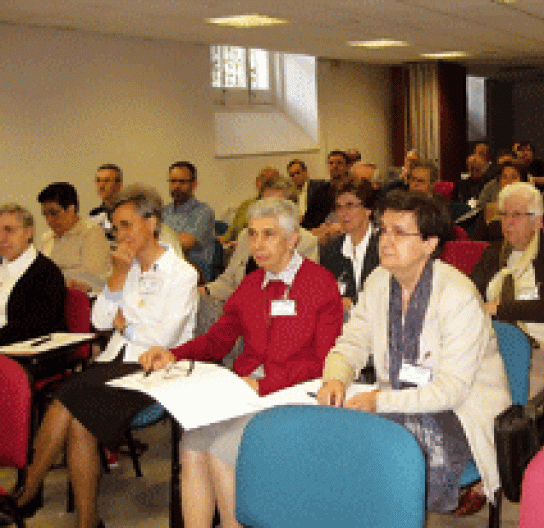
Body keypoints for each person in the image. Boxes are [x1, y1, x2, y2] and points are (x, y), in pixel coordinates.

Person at [140, 197, 344, 528]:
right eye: (252, 234)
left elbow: (324, 362)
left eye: (269, 234)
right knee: (192, 444)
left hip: (293, 391)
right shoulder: (251, 284)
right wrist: (174, 353)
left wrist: (263, 384)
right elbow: (218, 339)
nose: (258, 244)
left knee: (223, 449)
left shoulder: (320, 285)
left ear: (293, 240)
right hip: (246, 390)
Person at [8, 185, 198, 528]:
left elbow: (163, 338)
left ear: (152, 222)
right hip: (114, 362)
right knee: (76, 413)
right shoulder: (127, 267)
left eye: (126, 225)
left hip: (154, 368)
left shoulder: (181, 274)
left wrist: (126, 325)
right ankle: (85, 519)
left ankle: (26, 494)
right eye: (115, 227)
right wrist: (118, 280)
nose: (119, 235)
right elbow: (98, 322)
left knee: (70, 402)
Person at [317, 191, 512, 515]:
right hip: (398, 403)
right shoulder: (379, 281)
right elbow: (351, 343)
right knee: (335, 446)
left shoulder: (457, 295)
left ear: (430, 244)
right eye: (384, 230)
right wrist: (335, 377)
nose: (386, 241)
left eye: (400, 232)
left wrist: (378, 401)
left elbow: (451, 391)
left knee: (379, 465)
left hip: (458, 413)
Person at [471, 183, 544, 397]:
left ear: (537, 220)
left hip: (540, 344)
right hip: (492, 343)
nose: (508, 222)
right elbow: (471, 294)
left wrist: (498, 309)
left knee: (509, 396)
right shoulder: (493, 252)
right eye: (504, 214)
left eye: (517, 215)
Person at [0, 203, 67, 345]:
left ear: (28, 232)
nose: (1, 238)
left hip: (28, 353)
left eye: (9, 230)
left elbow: (32, 328)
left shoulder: (46, 273)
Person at [38, 182, 111, 292]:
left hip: (82, 300)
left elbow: (93, 278)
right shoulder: (46, 238)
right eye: (45, 214)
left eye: (54, 213)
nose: (49, 220)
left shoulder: (91, 233)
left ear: (71, 209)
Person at [319, 179, 379, 313]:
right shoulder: (331, 250)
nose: (343, 213)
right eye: (339, 207)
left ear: (368, 209)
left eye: (350, 205)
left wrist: (353, 303)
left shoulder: (384, 246)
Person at [163, 160, 216, 280]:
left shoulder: (204, 212)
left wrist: (156, 241)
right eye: (173, 181)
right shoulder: (163, 211)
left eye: (182, 182)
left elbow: (183, 244)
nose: (177, 186)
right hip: (166, 268)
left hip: (195, 272)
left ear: (194, 184)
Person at [219, 166, 280, 246]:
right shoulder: (246, 204)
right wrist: (223, 239)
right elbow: (232, 230)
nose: (263, 182)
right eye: (261, 178)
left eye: (269, 180)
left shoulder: (279, 207)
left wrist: (242, 243)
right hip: (235, 247)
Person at [89, 164, 123, 241]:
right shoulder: (94, 215)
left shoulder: (132, 212)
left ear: (119, 184)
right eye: (98, 181)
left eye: (106, 181)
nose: (101, 186)